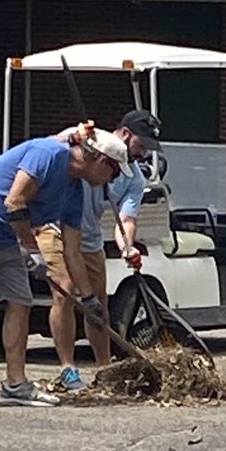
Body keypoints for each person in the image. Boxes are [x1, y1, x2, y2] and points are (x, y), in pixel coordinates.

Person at [0, 127, 132, 411]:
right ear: (102, 162)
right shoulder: (48, 154)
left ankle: (15, 385)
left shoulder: (73, 192)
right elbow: (14, 200)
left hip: (7, 235)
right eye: (115, 174)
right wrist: (32, 249)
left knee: (21, 301)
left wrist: (89, 297)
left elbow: (72, 249)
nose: (112, 182)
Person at [39, 109, 162, 391]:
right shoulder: (90, 141)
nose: (143, 153)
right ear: (126, 134)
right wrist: (75, 136)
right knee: (67, 292)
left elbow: (125, 219)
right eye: (141, 145)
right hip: (55, 228)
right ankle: (68, 369)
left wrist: (127, 247)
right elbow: (48, 148)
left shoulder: (133, 178)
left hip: (89, 238)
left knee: (97, 305)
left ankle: (105, 369)